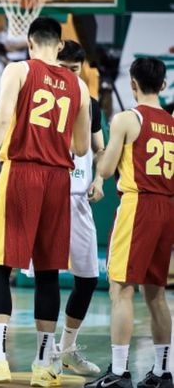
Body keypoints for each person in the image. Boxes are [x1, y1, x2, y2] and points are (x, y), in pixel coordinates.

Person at [0, 17, 91, 386]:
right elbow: (82, 147)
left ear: (30, 43)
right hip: (59, 179)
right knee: (48, 272)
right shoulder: (79, 85)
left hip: (23, 172)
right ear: (60, 46)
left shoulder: (18, 70)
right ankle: (44, 364)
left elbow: (2, 120)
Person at [85, 57, 174, 388]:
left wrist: (101, 154)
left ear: (133, 84)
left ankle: (120, 372)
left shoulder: (127, 118)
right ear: (163, 85)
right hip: (167, 207)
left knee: (121, 290)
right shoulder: (172, 123)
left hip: (138, 206)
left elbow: (107, 170)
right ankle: (163, 372)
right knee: (156, 294)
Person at [54, 40, 105, 376]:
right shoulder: (42, 97)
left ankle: (66, 349)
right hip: (48, 195)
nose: (71, 75)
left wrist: (99, 179)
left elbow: (100, 150)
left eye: (75, 69)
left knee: (87, 278)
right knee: (42, 278)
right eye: (65, 69)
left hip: (78, 198)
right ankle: (43, 352)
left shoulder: (91, 103)